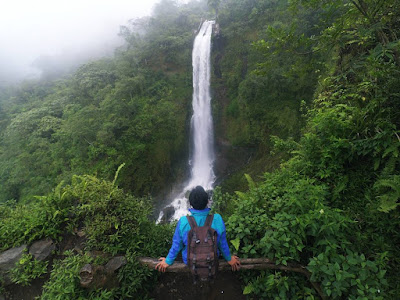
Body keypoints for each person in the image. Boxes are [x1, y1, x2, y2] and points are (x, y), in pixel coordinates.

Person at [155, 186, 240, 272]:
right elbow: (222, 243)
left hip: (190, 261)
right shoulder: (217, 219)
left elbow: (177, 245)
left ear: (190, 204)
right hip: (212, 260)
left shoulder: (183, 221)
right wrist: (229, 259)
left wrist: (168, 261)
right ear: (207, 202)